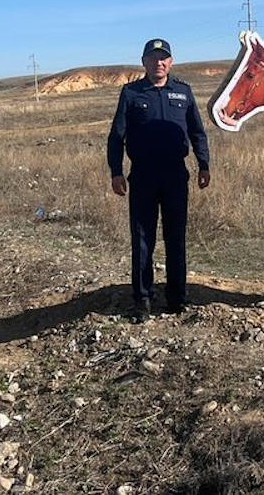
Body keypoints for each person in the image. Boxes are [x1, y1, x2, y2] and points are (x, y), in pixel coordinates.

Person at [107, 38, 210, 323]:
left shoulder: (183, 92)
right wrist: (116, 171)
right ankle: (142, 299)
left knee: (176, 237)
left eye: (163, 58)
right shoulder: (131, 93)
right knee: (142, 239)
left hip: (176, 175)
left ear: (171, 62)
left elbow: (197, 132)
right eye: (153, 58)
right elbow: (117, 136)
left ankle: (177, 297)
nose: (158, 63)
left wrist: (204, 164)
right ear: (144, 62)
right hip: (143, 176)